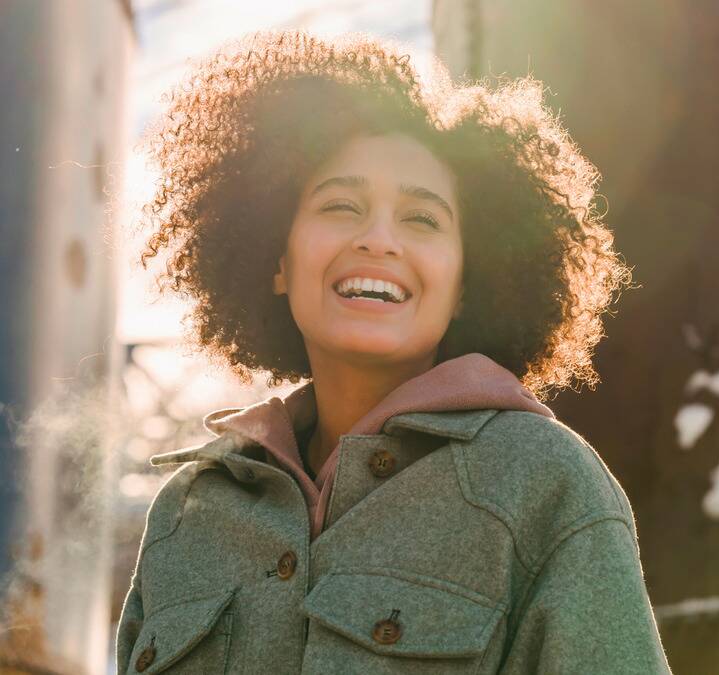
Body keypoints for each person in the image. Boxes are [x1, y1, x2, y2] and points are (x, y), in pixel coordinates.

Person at [115, 30, 671, 674]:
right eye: (341, 205)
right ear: (277, 258)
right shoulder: (190, 510)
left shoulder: (546, 483)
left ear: (466, 284)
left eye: (422, 219)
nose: (378, 238)